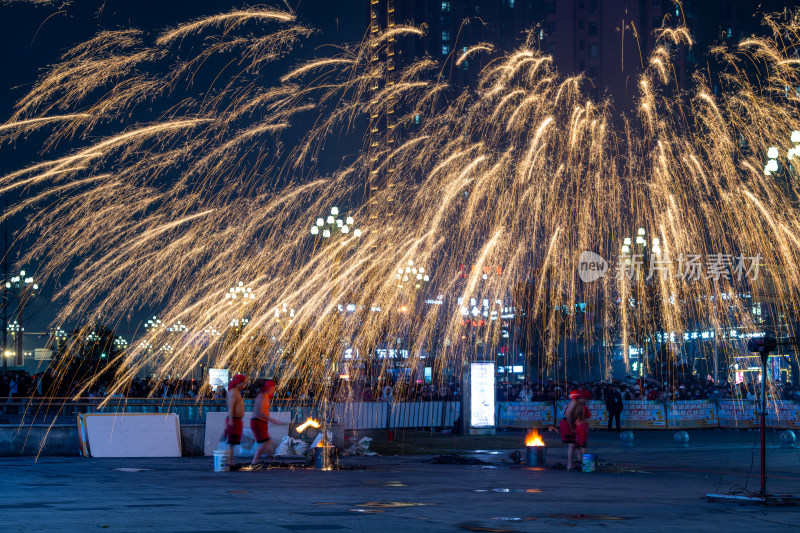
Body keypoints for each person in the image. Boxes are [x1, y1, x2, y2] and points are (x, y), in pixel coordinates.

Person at [250, 380, 286, 464]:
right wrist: (273, 420)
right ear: (268, 388)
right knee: (265, 442)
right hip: (258, 422)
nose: (273, 390)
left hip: (260, 422)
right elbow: (260, 413)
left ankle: (271, 459)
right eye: (272, 388)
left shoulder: (264, 396)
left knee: (268, 441)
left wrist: (269, 420)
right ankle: (255, 460)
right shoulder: (263, 396)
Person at [559, 390, 590, 470]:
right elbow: (568, 415)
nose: (587, 401)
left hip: (571, 423)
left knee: (576, 444)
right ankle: (570, 465)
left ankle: (576, 462)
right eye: (586, 399)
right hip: (567, 423)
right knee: (572, 445)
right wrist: (572, 428)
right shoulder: (575, 402)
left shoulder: (580, 404)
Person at [225, 374, 247, 465]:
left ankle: (230, 461)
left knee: (233, 442)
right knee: (231, 442)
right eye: (243, 383)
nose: (244, 385)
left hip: (236, 419)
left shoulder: (236, 391)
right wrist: (231, 420)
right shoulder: (233, 392)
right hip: (233, 419)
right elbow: (231, 406)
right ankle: (229, 461)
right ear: (238, 383)